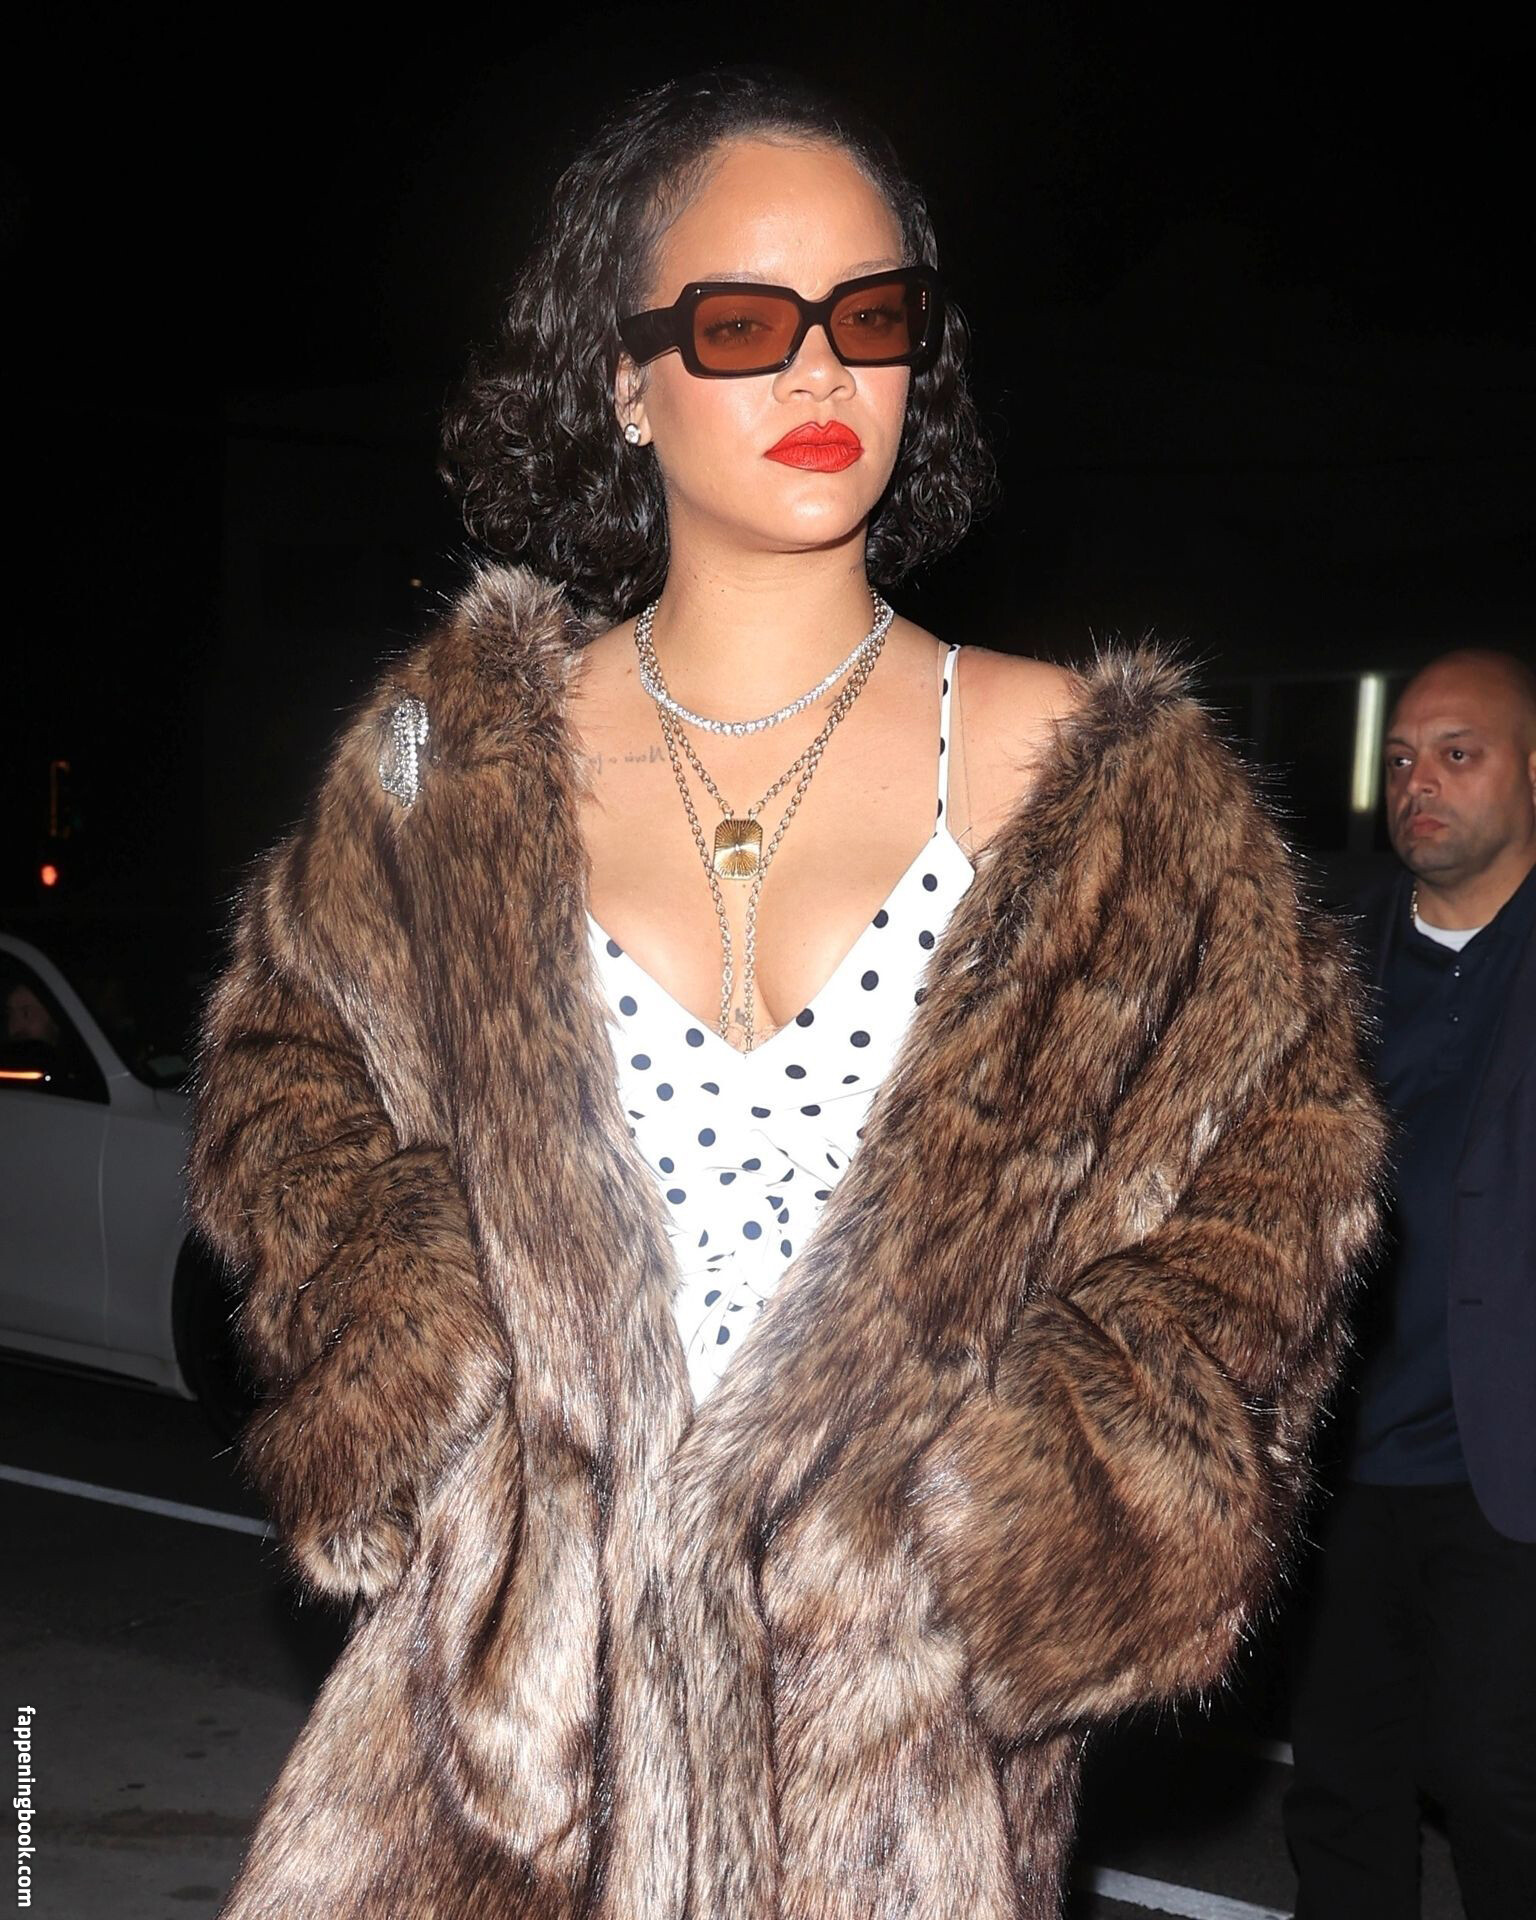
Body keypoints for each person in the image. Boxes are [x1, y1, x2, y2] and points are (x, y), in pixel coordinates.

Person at [188, 68, 1388, 1920]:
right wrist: (417, 1366)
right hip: (482, 1786)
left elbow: (1277, 1186)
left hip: (890, 1794)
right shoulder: (440, 757)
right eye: (743, 325)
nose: (822, 370)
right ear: (624, 379)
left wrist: (1041, 1505)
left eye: (872, 315)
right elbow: (288, 1073)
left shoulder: (1102, 785)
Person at [1284, 649, 1536, 1919]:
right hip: (1339, 1460)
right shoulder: (1328, 949)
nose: (1417, 783)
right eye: (1399, 759)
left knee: (1501, 1787)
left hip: (1506, 1465)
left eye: (1457, 754)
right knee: (1342, 1783)